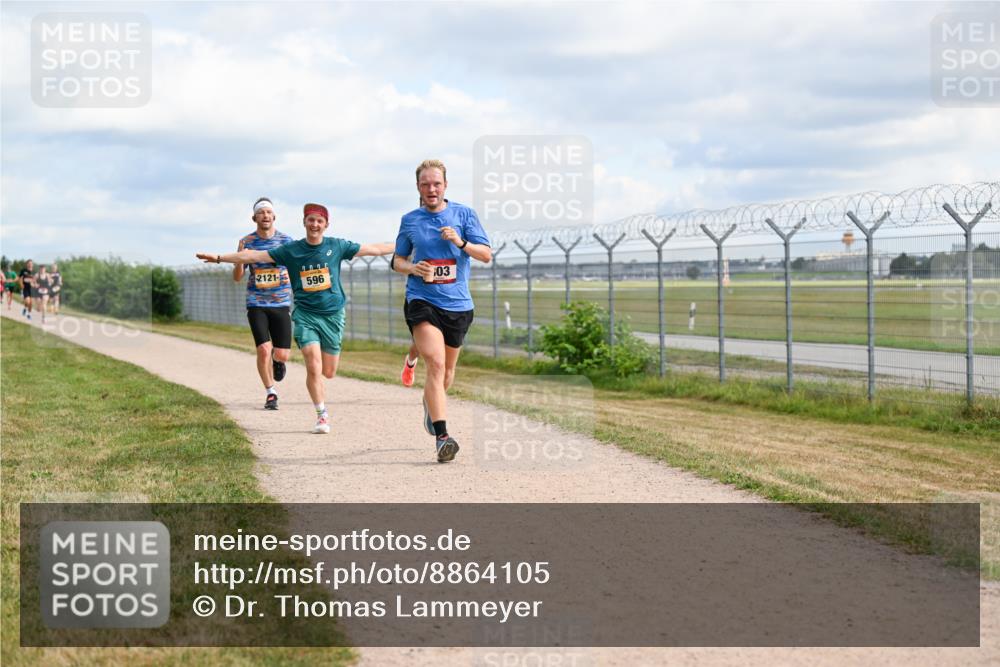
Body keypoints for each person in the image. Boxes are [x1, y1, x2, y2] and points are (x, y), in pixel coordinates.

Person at [197, 203, 394, 434]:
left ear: (326, 225)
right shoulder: (292, 250)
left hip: (332, 315)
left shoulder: (337, 246)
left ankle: (309, 385)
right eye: (310, 220)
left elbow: (374, 249)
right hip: (305, 315)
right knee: (313, 364)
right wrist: (219, 257)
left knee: (328, 371)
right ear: (304, 223)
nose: (314, 224)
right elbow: (253, 255)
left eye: (319, 221)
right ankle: (321, 415)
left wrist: (406, 243)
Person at [391, 159, 491, 463]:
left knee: (446, 373)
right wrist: (414, 268)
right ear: (418, 187)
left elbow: (485, 255)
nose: (431, 189)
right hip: (422, 299)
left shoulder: (464, 215)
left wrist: (460, 242)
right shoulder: (410, 220)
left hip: (458, 304)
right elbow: (397, 261)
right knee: (435, 363)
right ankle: (443, 437)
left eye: (436, 183)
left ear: (445, 185)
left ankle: (431, 406)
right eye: (425, 184)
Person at [232, 197, 294, 410]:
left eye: (268, 212)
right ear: (254, 218)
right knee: (263, 349)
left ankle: (278, 361)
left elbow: (295, 267)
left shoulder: (286, 241)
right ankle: (271, 393)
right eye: (261, 213)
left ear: (274, 216)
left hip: (281, 302)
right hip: (256, 302)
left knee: (282, 353)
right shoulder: (247, 242)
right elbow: (237, 277)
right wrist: (240, 259)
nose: (265, 216)